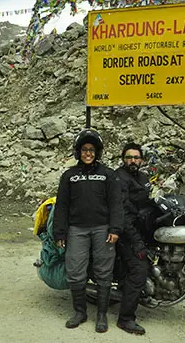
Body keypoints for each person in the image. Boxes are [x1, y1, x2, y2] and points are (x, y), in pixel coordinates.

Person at [52, 128, 124, 333]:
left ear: (97, 152)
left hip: (103, 230)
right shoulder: (69, 176)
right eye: (84, 149)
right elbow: (62, 206)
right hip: (76, 230)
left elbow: (116, 204)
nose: (88, 153)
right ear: (78, 152)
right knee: (75, 272)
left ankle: (101, 315)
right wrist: (60, 233)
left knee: (104, 272)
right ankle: (79, 312)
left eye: (92, 150)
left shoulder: (107, 175)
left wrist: (115, 228)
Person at [115, 142, 154, 335]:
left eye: (136, 157)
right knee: (139, 269)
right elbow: (123, 214)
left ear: (141, 160)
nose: (133, 160)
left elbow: (148, 202)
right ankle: (125, 318)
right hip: (124, 231)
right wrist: (137, 242)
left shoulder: (143, 177)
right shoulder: (119, 178)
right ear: (123, 159)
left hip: (140, 228)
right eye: (129, 157)